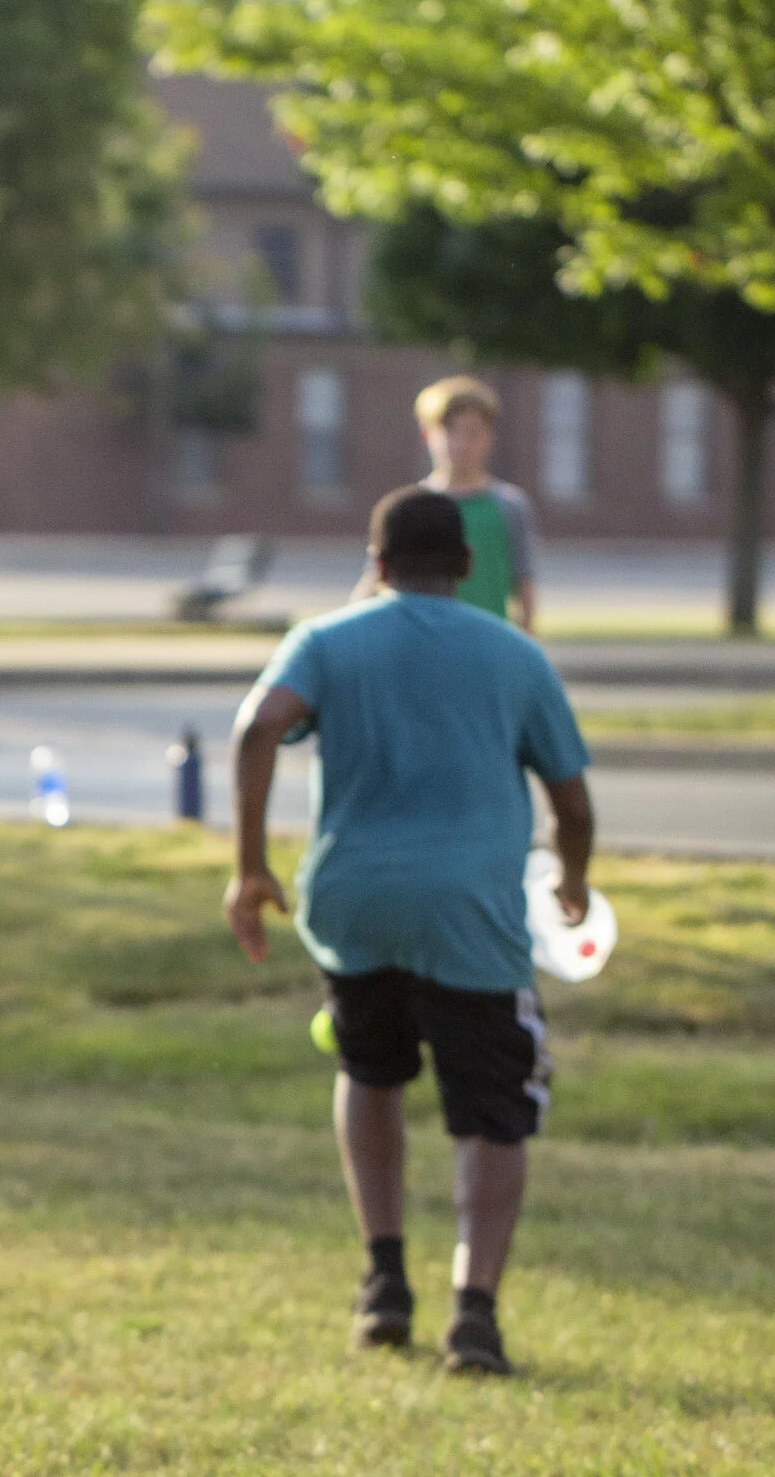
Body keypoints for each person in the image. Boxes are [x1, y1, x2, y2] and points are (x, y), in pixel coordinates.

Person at [230, 485, 594, 1378]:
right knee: (495, 1113)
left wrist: (249, 867)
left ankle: (383, 1283)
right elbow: (572, 800)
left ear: (377, 561)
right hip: (469, 913)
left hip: (353, 904)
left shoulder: (326, 639)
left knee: (369, 1069)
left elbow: (260, 726)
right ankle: (475, 1317)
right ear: (469, 568)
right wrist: (575, 879)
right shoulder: (515, 656)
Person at [351, 376, 539, 630]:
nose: (462, 444)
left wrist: (523, 645)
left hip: (486, 641)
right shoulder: (408, 507)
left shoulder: (509, 505)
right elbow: (374, 580)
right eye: (450, 431)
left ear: (490, 436)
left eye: (473, 432)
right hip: (419, 641)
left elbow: (524, 582)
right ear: (427, 434)